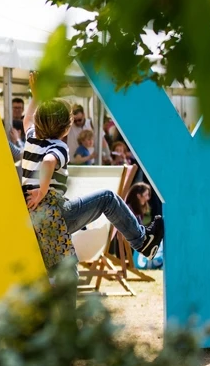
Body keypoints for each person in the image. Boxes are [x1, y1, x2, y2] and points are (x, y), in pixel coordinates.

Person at [21, 76, 163, 275]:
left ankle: (143, 240)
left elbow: (27, 120)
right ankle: (142, 241)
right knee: (108, 198)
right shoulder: (58, 146)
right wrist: (42, 191)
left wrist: (36, 96)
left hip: (33, 215)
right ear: (66, 129)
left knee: (64, 273)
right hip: (56, 212)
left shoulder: (32, 138)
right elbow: (48, 161)